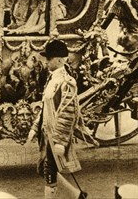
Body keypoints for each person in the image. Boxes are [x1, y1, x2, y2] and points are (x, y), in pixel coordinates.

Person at [27, 39, 96, 199]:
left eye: (48, 59)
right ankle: (77, 196)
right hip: (47, 134)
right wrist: (34, 128)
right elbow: (45, 108)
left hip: (56, 136)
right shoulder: (52, 80)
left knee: (49, 171)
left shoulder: (67, 83)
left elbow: (68, 113)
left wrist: (60, 141)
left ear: (58, 60)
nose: (45, 62)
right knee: (42, 168)